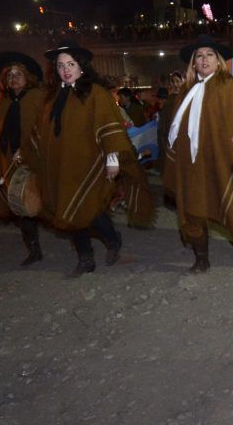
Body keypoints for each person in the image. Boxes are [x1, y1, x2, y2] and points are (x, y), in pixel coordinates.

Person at [35, 39, 154, 278]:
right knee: (68, 211)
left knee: (90, 211)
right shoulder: (54, 97)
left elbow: (109, 126)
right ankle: (85, 258)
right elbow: (43, 132)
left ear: (81, 66)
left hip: (91, 164)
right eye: (60, 65)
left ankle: (112, 240)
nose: (66, 70)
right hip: (62, 167)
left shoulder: (96, 93)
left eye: (71, 63)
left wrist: (113, 159)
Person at [163, 34, 233, 274]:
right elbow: (175, 128)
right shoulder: (185, 91)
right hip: (191, 164)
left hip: (221, 161)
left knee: (229, 208)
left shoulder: (229, 86)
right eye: (199, 56)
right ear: (192, 62)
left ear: (218, 60)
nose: (204, 59)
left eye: (209, 55)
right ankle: (201, 257)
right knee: (192, 210)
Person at [0, 51, 46, 266]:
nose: (13, 79)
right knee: (21, 204)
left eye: (17, 74)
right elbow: (0, 134)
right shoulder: (5, 101)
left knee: (47, 200)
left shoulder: (38, 98)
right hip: (10, 159)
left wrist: (29, 149)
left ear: (27, 76)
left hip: (36, 158)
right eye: (9, 75)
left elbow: (45, 129)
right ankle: (33, 249)